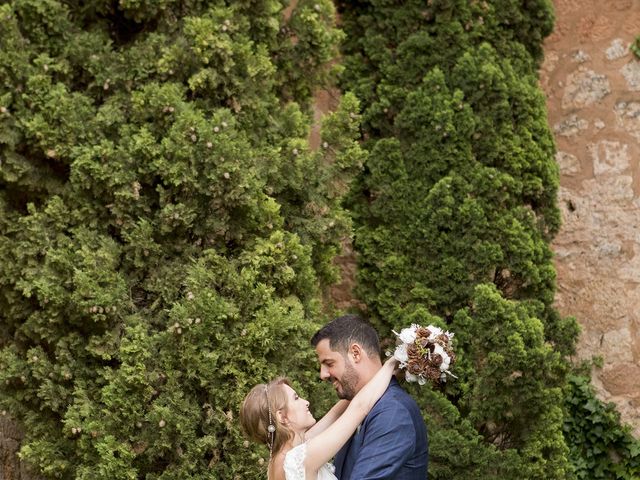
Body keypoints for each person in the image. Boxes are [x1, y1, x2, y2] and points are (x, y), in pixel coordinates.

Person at [240, 354, 398, 480]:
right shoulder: (298, 460)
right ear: (282, 417)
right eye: (296, 398)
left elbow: (337, 413)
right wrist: (393, 362)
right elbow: (360, 407)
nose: (306, 402)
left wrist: (373, 376)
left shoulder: (283, 458)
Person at [311, 314, 428, 479]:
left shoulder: (393, 412)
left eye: (329, 364)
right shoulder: (355, 407)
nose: (323, 374)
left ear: (356, 353)